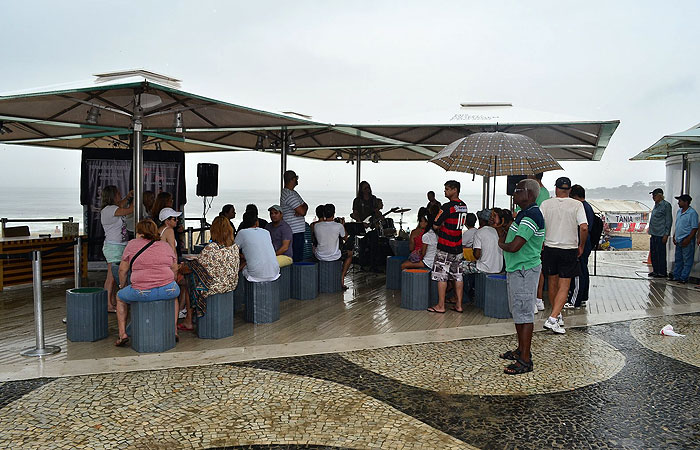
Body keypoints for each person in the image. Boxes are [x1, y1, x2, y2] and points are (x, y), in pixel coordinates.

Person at [497, 178, 545, 375]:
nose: (513, 193)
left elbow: (515, 245)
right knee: (518, 312)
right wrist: (500, 229)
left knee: (524, 315)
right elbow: (511, 237)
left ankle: (525, 360)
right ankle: (521, 350)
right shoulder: (524, 214)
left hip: (524, 270)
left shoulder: (532, 215)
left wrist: (501, 244)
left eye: (518, 190)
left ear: (530, 194)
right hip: (517, 268)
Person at [114, 219, 179, 347]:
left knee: (119, 297)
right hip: (168, 290)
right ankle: (174, 330)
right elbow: (175, 268)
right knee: (174, 297)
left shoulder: (132, 245)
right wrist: (171, 282)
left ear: (139, 233)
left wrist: (123, 286)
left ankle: (122, 334)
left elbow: (122, 270)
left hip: (142, 291)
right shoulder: (165, 245)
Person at [539, 177, 588, 334]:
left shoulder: (546, 204)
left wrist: (541, 243)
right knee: (564, 286)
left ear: (556, 189)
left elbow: (540, 225)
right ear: (570, 190)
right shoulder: (577, 205)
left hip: (550, 247)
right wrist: (581, 245)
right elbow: (584, 227)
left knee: (552, 282)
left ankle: (557, 315)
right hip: (568, 248)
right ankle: (553, 318)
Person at [177, 216, 240, 332]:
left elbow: (198, 265)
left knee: (188, 281)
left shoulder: (211, 248)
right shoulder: (234, 247)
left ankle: (188, 319)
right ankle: (188, 316)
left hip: (214, 287)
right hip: (230, 284)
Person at [427, 180, 467, 314]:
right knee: (458, 276)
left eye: (447, 189)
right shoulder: (464, 206)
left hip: (445, 246)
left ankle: (440, 305)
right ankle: (459, 305)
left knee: (442, 276)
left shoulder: (447, 207)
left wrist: (442, 223)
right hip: (458, 247)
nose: (445, 191)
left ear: (454, 190)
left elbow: (435, 225)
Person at [100, 185, 134, 313]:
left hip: (118, 245)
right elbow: (130, 210)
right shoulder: (110, 210)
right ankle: (108, 304)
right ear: (113, 196)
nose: (120, 195)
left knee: (114, 276)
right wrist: (136, 199)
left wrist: (128, 197)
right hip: (114, 247)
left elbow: (121, 203)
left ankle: (112, 300)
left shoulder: (111, 209)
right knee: (112, 276)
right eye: (118, 193)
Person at [565, 184, 596, 308]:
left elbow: (583, 227)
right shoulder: (588, 206)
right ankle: (583, 296)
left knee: (577, 271)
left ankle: (574, 300)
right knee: (583, 269)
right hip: (586, 241)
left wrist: (580, 245)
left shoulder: (581, 207)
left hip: (581, 241)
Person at [313, 204, 353, 290]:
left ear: (323, 214)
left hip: (319, 255)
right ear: (334, 214)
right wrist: (342, 225)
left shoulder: (316, 226)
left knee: (314, 247)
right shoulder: (338, 226)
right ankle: (342, 278)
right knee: (350, 254)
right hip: (334, 256)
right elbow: (345, 238)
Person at [235, 211, 280, 282]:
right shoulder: (266, 232)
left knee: (243, 265)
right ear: (257, 222)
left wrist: (242, 256)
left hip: (255, 276)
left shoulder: (242, 233)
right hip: (275, 273)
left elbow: (232, 251)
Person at [351, 181, 382, 270]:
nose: (367, 190)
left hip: (372, 225)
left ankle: (373, 266)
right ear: (361, 189)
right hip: (362, 225)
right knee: (362, 246)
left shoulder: (373, 199)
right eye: (365, 188)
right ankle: (362, 265)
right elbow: (355, 213)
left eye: (368, 187)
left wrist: (379, 216)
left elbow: (376, 211)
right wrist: (361, 223)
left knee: (374, 246)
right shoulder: (357, 200)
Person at [280, 170, 308, 262]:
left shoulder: (293, 193)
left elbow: (305, 205)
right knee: (295, 258)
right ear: (292, 179)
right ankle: (295, 276)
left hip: (297, 231)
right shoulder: (289, 194)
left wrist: (302, 207)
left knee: (297, 257)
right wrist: (301, 208)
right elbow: (303, 211)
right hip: (294, 232)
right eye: (296, 178)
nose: (297, 180)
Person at [670, 194, 698, 284]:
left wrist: (689, 239)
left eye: (680, 201)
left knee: (687, 260)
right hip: (678, 239)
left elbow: (694, 228)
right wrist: (674, 235)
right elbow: (678, 225)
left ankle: (684, 277)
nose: (678, 203)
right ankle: (676, 276)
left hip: (687, 239)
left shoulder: (692, 213)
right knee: (678, 259)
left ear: (686, 202)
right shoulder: (679, 212)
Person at [647, 188, 672, 278]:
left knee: (660, 254)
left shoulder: (666, 205)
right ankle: (656, 270)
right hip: (653, 233)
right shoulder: (656, 205)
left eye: (654, 195)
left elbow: (668, 221)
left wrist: (666, 234)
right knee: (654, 253)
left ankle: (662, 272)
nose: (653, 197)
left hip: (661, 234)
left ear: (659, 196)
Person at [473, 209, 503, 274]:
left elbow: (477, 255)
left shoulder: (479, 232)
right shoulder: (496, 231)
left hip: (484, 268)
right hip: (498, 269)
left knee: (459, 267)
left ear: (482, 220)